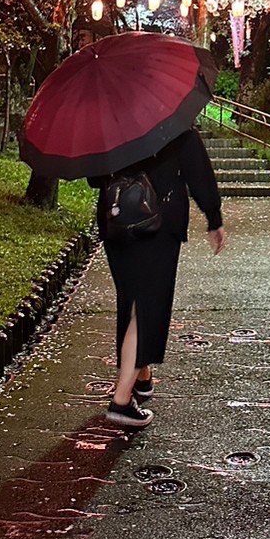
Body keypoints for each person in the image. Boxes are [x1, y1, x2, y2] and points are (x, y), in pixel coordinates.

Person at [90, 126, 226, 428]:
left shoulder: (111, 129)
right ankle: (122, 401)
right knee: (148, 308)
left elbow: (94, 178)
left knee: (132, 301)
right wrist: (214, 219)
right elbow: (198, 174)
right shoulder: (176, 130)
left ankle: (141, 375)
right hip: (158, 223)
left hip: (117, 222)